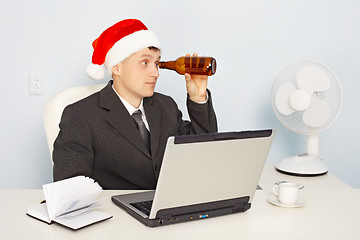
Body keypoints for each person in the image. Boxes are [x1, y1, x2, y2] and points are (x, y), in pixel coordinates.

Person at [53, 19, 218, 189]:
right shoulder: (81, 115)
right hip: (116, 212)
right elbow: (70, 188)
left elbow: (202, 150)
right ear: (117, 68)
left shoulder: (165, 106)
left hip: (166, 210)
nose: (155, 73)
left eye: (156, 63)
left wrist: (198, 97)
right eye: (144, 63)